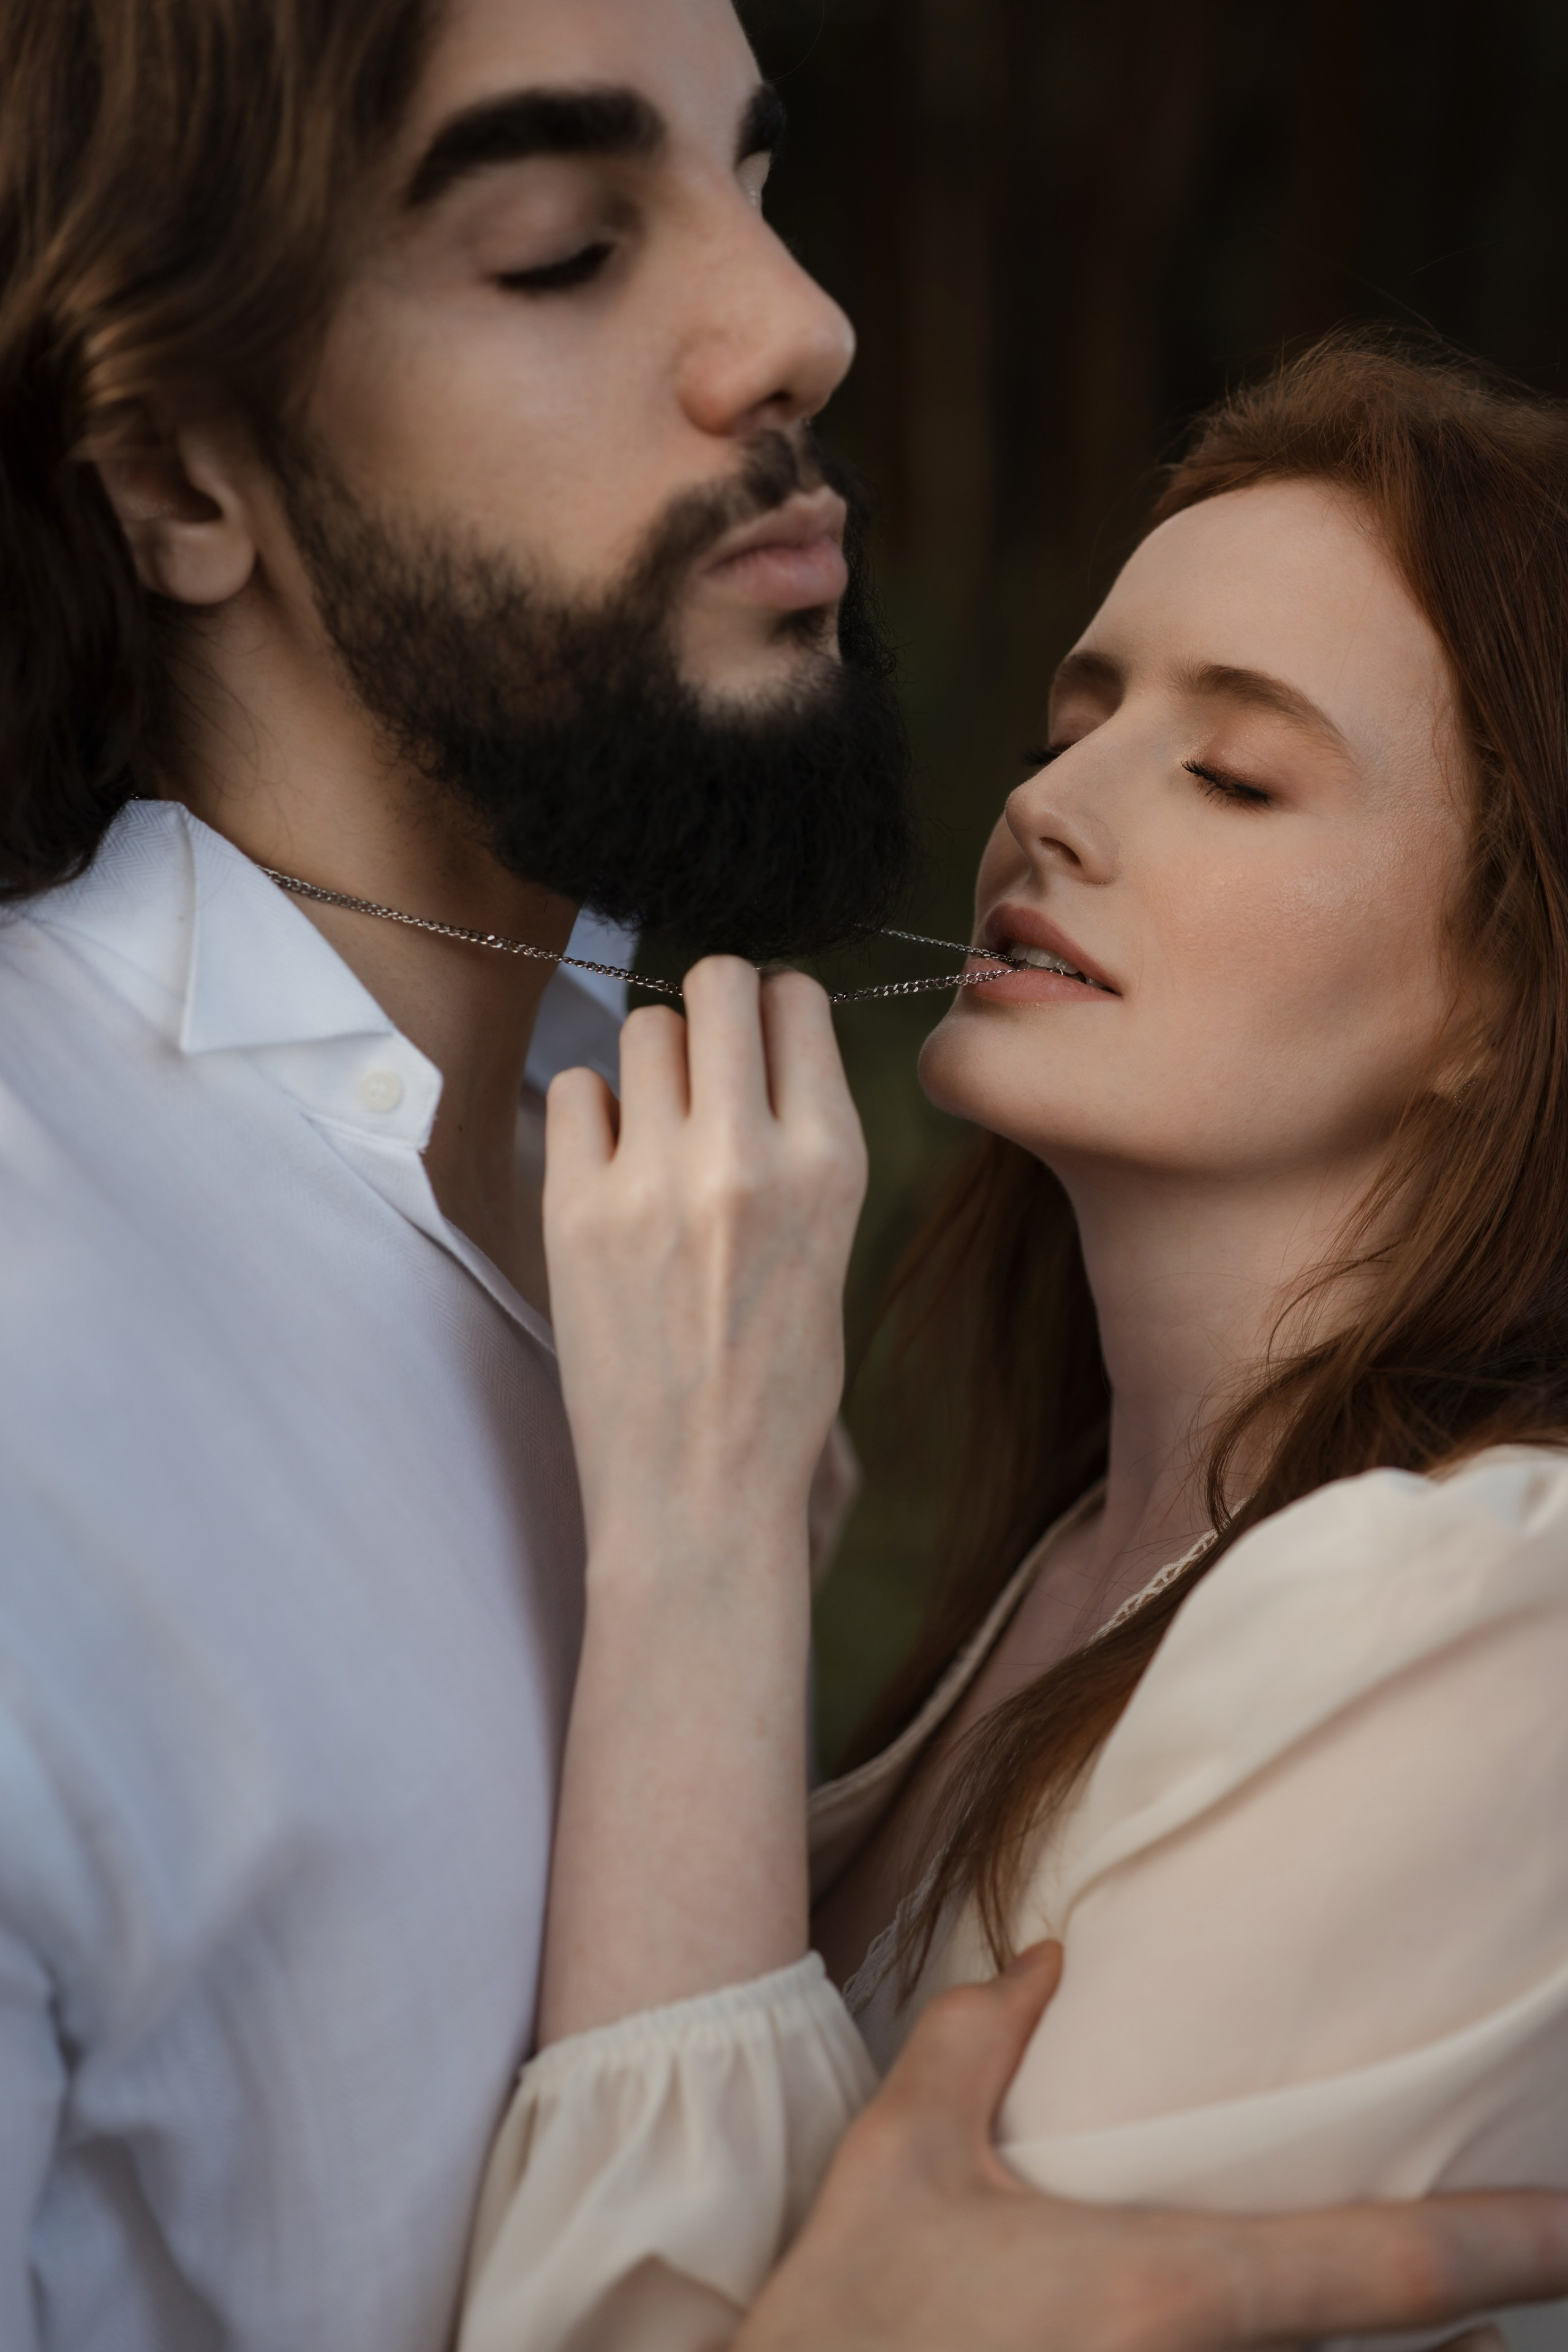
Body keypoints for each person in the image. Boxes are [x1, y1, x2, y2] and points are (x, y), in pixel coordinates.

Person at [1, 0, 1564, 2341]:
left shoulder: (648, 1249)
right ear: (183, 483)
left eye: (760, 173)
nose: (806, 320)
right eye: (562, 247)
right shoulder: (61, 1325)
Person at [455, 332, 1568, 2352]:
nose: (1048, 802)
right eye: (1081, 717)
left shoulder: (1482, 1612)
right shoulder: (1082, 1553)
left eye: (1235, 769)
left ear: (1505, 996)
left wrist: (697, 1545)